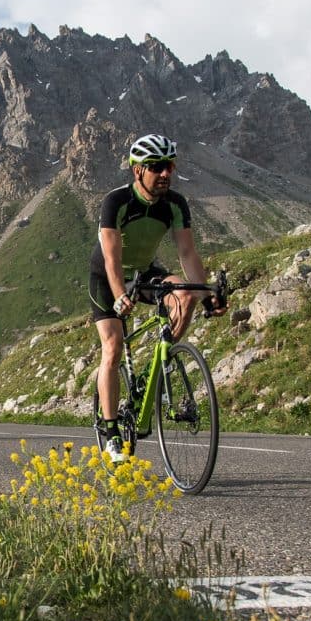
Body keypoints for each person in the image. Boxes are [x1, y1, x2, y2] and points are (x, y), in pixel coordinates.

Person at [88, 133, 221, 462]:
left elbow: (188, 253)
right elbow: (111, 258)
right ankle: (110, 430)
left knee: (183, 295)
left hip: (145, 271)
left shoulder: (175, 204)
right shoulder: (116, 203)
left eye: (170, 166)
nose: (166, 173)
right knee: (113, 346)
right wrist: (120, 295)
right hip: (107, 278)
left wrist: (205, 295)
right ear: (138, 171)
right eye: (158, 167)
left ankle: (158, 370)